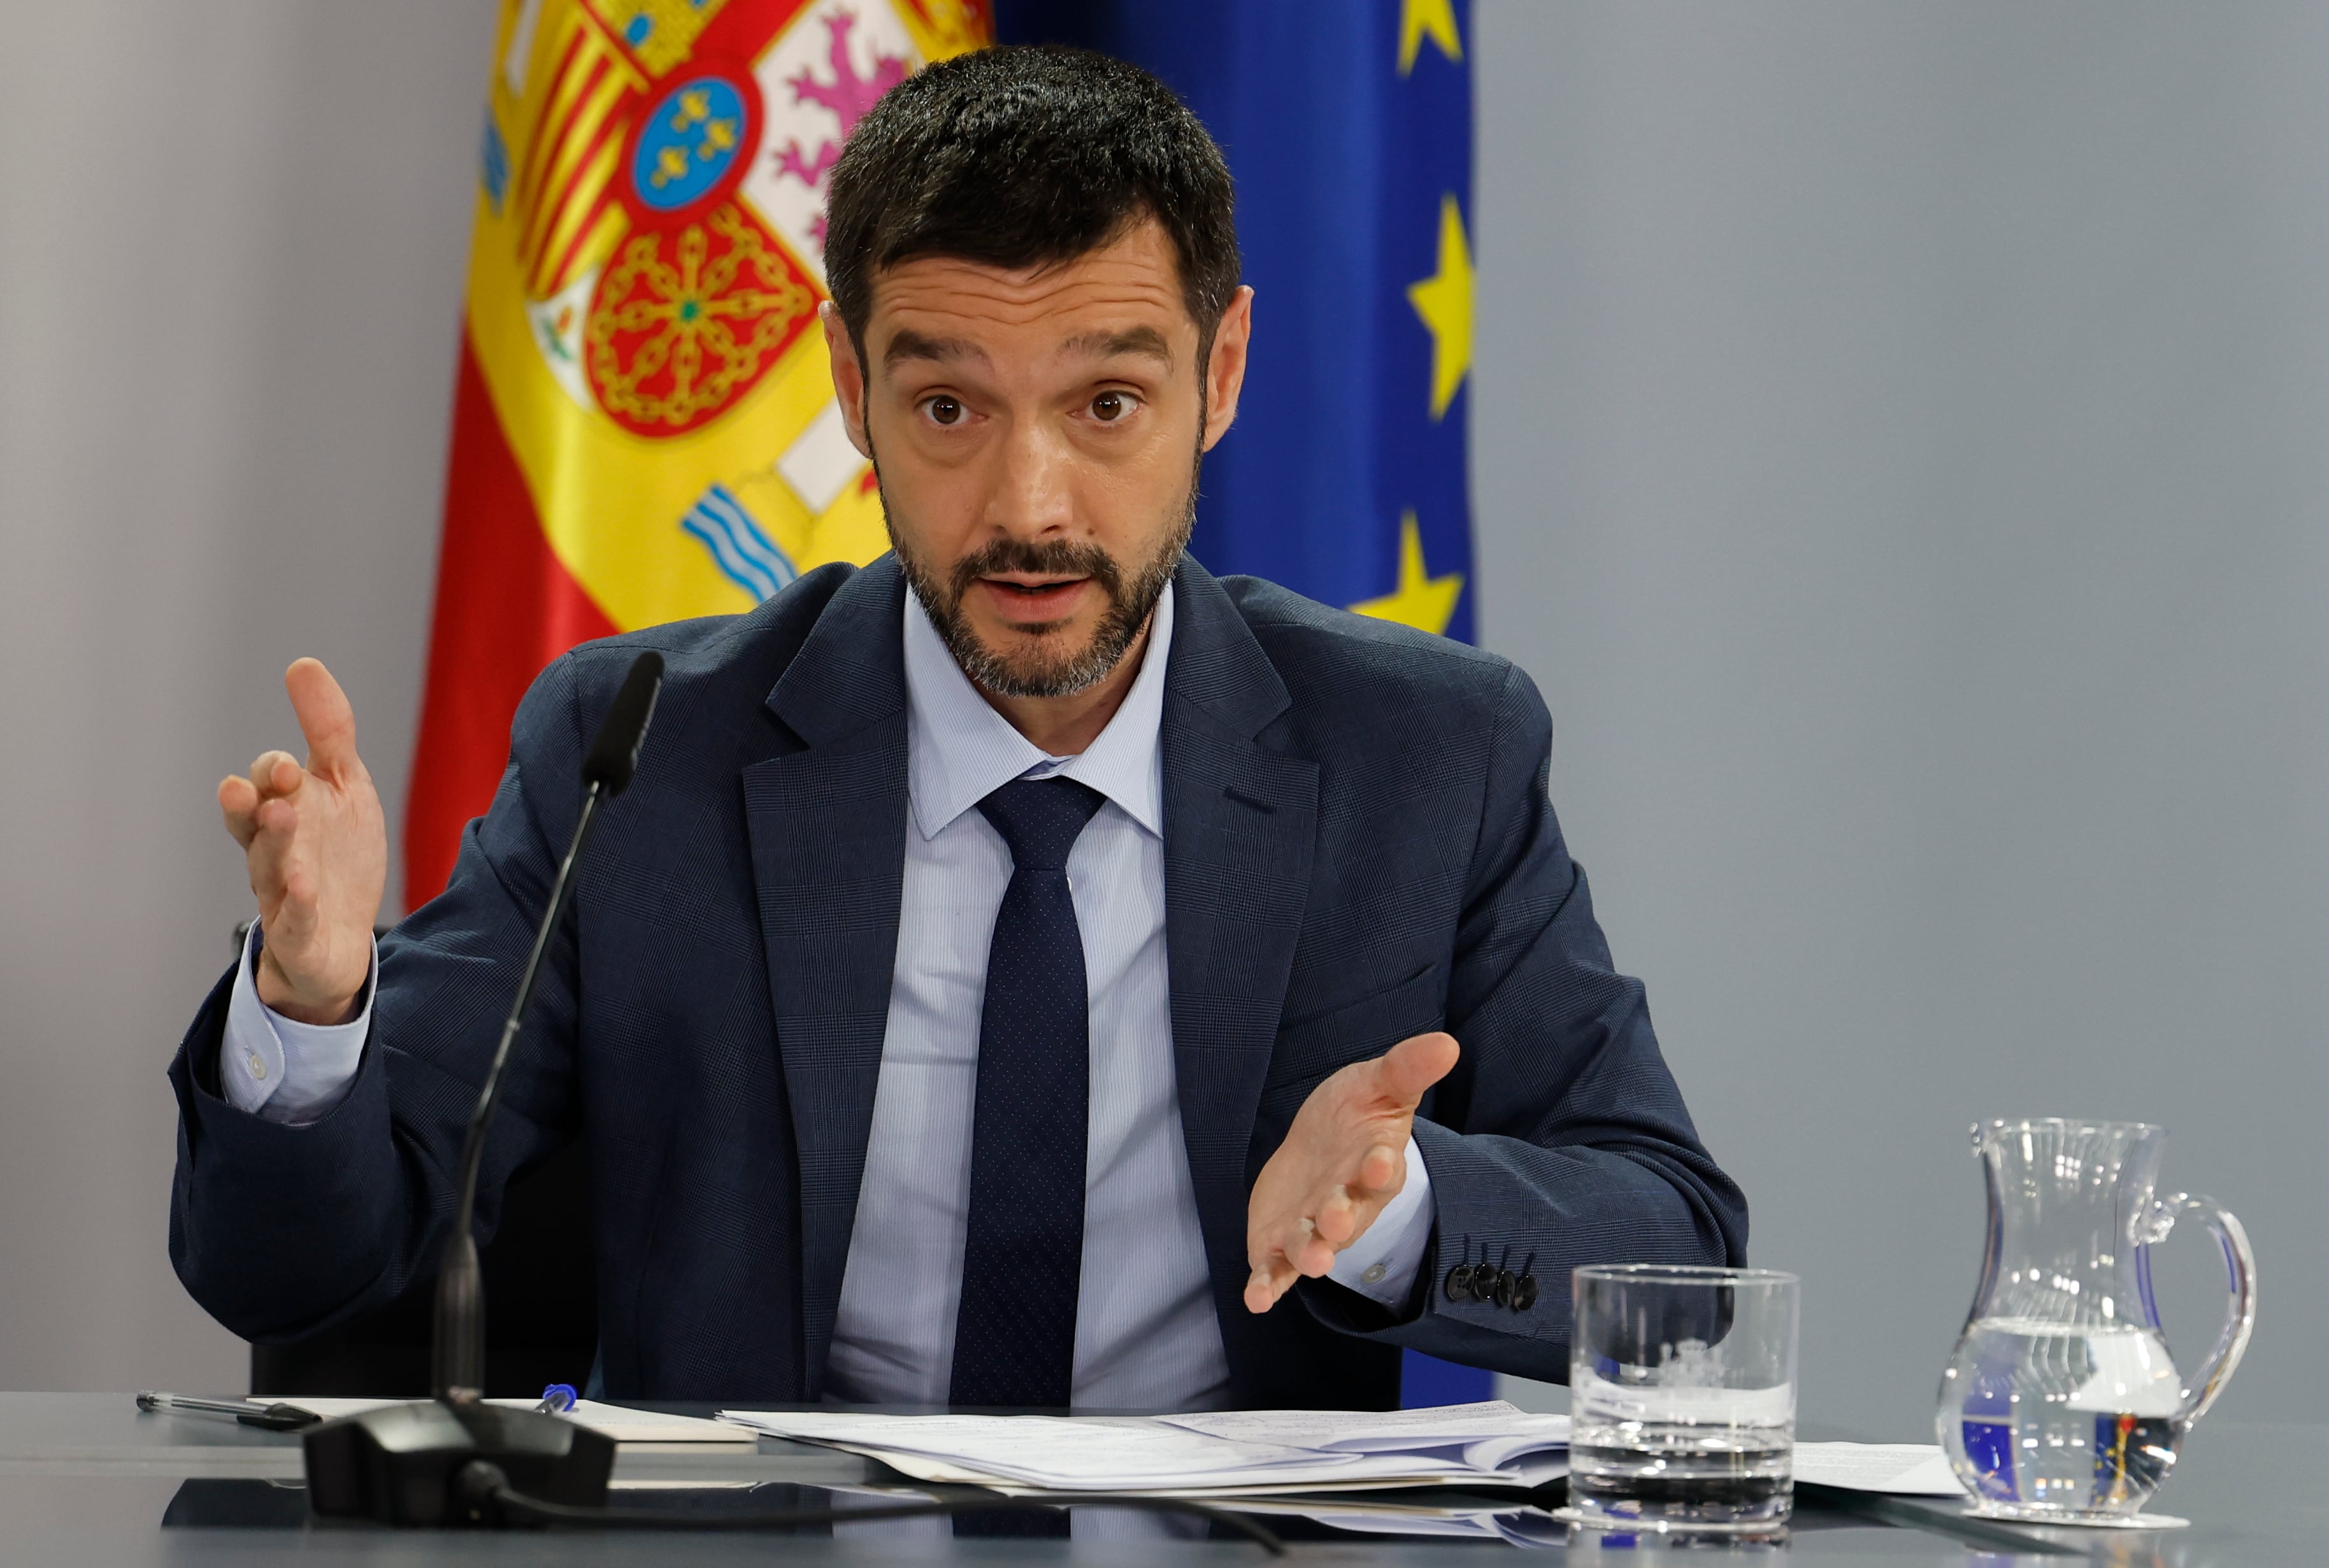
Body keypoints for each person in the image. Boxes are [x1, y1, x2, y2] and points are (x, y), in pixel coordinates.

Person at [171, 46, 1744, 1411]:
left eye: (1108, 403)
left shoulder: (1426, 754)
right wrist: (313, 1017)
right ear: (851, 390)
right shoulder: (640, 752)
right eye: (948, 408)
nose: (1029, 507)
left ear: (1226, 374)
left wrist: (1397, 1210)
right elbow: (296, 1272)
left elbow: (1680, 1245)